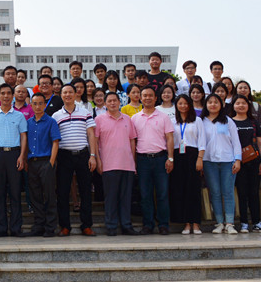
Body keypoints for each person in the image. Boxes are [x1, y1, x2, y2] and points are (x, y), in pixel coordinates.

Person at [52, 84, 98, 237]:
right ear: (61, 95)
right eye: (65, 92)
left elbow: (91, 134)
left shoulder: (85, 112)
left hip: (83, 155)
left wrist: (92, 155)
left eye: (70, 92)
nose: (68, 95)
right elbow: (54, 139)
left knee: (85, 191)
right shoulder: (56, 116)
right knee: (63, 192)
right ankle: (65, 226)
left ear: (75, 93)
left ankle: (87, 225)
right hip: (64, 156)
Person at [0, 83, 29, 237]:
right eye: (2, 93)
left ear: (12, 96)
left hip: (14, 155)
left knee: (15, 192)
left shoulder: (19, 116)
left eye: (8, 93)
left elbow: (23, 136)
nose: (5, 96)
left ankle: (16, 228)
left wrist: (22, 156)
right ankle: (1, 228)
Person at [95, 93, 139, 236]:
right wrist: (98, 160)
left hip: (127, 164)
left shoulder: (127, 119)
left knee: (126, 197)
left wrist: (133, 161)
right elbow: (95, 142)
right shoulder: (99, 120)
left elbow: (132, 140)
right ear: (105, 104)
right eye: (109, 101)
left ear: (120, 102)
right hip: (108, 164)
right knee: (111, 197)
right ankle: (111, 226)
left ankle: (126, 225)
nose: (113, 103)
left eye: (115, 100)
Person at [132, 87, 174, 235]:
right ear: (140, 98)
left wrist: (170, 158)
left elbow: (169, 138)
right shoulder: (135, 118)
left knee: (162, 193)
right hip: (142, 160)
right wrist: (133, 161)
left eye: (150, 95)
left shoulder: (163, 117)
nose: (147, 98)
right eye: (144, 95)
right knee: (145, 194)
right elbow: (133, 141)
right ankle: (148, 224)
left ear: (156, 98)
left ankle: (163, 224)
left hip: (160, 158)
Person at [200, 94, 241, 235]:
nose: (213, 104)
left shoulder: (228, 121)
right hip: (208, 161)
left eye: (216, 102)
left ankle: (229, 223)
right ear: (206, 105)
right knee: (215, 192)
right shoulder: (201, 121)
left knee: (228, 192)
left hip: (227, 161)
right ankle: (219, 223)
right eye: (210, 102)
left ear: (221, 104)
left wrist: (237, 159)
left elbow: (236, 141)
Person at [230, 94, 261, 233]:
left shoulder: (254, 122)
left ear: (248, 106)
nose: (241, 105)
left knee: (254, 192)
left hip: (254, 161)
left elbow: (260, 142)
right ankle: (244, 223)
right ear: (233, 106)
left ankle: (257, 222)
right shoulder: (230, 122)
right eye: (238, 103)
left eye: (244, 103)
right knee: (241, 192)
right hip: (238, 162)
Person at [25, 93, 61, 237]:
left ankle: (50, 227)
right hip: (32, 162)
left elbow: (55, 142)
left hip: (46, 161)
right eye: (35, 103)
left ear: (45, 105)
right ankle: (39, 225)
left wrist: (51, 162)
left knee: (49, 195)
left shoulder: (51, 121)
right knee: (35, 195)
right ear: (31, 105)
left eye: (41, 103)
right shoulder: (28, 122)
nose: (38, 106)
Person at [170, 95, 206, 235]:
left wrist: (200, 158)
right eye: (180, 103)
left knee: (193, 190)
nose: (183, 106)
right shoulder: (172, 121)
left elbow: (202, 140)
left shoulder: (197, 120)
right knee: (181, 190)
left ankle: (195, 223)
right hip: (178, 156)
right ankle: (186, 224)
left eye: (186, 103)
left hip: (193, 155)